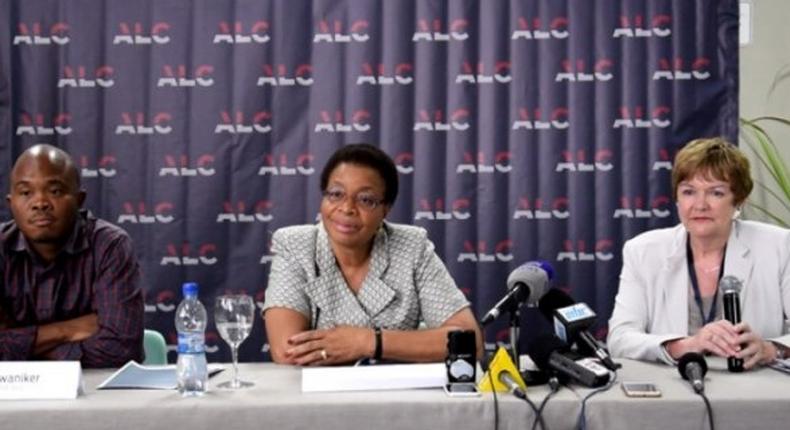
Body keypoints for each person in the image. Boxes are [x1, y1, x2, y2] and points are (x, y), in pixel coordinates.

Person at [262, 143, 482, 365]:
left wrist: (367, 341)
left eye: (365, 199)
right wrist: (409, 344)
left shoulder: (412, 247)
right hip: (318, 397)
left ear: (386, 209)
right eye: (336, 194)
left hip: (396, 395)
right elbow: (287, 351)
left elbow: (470, 343)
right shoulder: (294, 245)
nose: (347, 208)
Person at [607, 137, 790, 369]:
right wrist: (687, 345)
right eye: (689, 192)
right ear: (677, 199)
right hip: (673, 393)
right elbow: (620, 338)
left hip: (755, 390)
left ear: (739, 200)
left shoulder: (779, 246)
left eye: (716, 193)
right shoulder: (643, 251)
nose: (700, 205)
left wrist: (770, 349)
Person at [0, 144, 144, 367]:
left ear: (79, 200)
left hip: (96, 396)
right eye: (26, 192)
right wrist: (68, 330)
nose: (40, 203)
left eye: (55, 191)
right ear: (11, 204)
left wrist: (22, 348)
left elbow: (120, 349)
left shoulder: (110, 246)